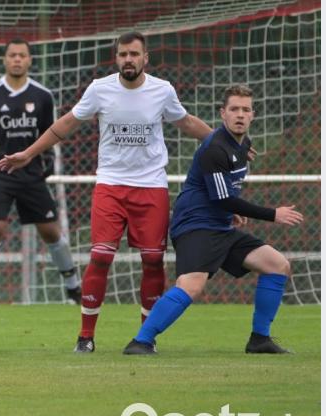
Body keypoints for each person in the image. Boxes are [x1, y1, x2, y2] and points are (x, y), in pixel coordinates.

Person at [0, 31, 213, 353]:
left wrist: (225, 144)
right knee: (100, 257)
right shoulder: (100, 89)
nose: (128, 59)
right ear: (117, 58)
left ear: (145, 58)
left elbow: (186, 123)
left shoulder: (162, 91)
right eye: (123, 54)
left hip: (151, 186)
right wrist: (29, 153)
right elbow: (67, 123)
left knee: (153, 261)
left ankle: (145, 337)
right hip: (111, 185)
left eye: (134, 54)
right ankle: (85, 338)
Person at [122, 85, 303, 354]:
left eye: (245, 109)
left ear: (253, 115)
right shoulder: (215, 148)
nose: (240, 115)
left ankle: (259, 340)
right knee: (192, 285)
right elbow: (222, 199)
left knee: (277, 265)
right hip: (195, 225)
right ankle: (141, 341)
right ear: (223, 114)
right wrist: (272, 214)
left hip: (219, 225)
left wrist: (232, 211)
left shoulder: (244, 145)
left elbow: (223, 193)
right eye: (234, 109)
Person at [0, 38, 80, 307]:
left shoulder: (42, 96)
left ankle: (73, 285)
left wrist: (48, 157)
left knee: (49, 230)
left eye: (22, 55)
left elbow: (51, 133)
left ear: (29, 60)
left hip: (31, 172)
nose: (16, 59)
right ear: (4, 59)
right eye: (12, 55)